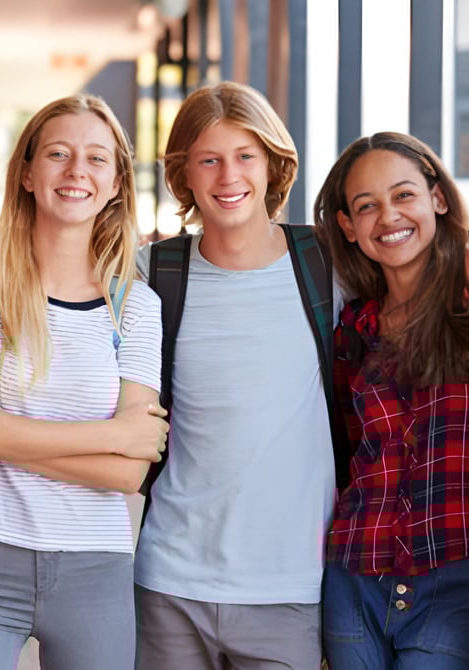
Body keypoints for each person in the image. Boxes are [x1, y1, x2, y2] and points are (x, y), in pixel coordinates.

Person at [0, 93, 168, 670]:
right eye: (58, 153)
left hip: (96, 570)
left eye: (96, 158)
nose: (76, 171)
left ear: (116, 183)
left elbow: (129, 471)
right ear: (28, 173)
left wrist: (2, 433)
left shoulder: (134, 306)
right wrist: (110, 434)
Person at [131, 81, 344, 669]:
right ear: (185, 175)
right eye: (209, 159)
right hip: (169, 581)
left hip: (290, 588)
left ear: (273, 165)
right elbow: (46, 289)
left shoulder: (327, 267)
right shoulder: (155, 272)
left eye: (245, 156)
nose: (229, 176)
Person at [314, 132, 469, 669]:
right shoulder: (352, 330)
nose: (388, 216)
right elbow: (346, 455)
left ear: (437, 199)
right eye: (366, 206)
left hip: (452, 578)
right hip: (356, 576)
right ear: (348, 228)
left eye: (403, 195)